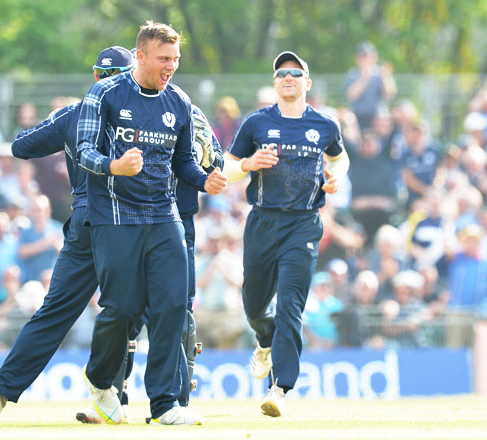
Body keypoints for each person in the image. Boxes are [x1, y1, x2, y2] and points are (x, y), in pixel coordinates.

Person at [0, 45, 137, 425]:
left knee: (53, 314)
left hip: (83, 222)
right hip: (126, 223)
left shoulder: (74, 114)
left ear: (96, 75)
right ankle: (112, 395)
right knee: (125, 312)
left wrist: (57, 122)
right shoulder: (143, 113)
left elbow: (20, 146)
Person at [76, 21, 226, 426]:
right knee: (121, 308)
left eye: (175, 59)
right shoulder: (104, 93)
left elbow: (183, 164)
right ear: (140, 56)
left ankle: (163, 404)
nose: (171, 66)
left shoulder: (179, 101)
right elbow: (83, 151)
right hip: (115, 217)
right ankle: (101, 379)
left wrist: (205, 180)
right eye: (164, 59)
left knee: (174, 305)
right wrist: (114, 166)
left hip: (164, 215)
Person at [223, 50, 349, 417]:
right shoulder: (256, 123)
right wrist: (248, 163)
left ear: (307, 82)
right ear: (275, 83)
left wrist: (336, 176)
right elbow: (228, 169)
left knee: (291, 305)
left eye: (296, 73)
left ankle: (279, 388)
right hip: (263, 221)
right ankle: (265, 341)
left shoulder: (326, 125)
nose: (288, 77)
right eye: (281, 74)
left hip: (304, 223)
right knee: (254, 304)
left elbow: (339, 157)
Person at [345, 41, 397, 130]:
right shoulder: (353, 74)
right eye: (362, 56)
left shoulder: (382, 73)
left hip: (378, 119)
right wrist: (365, 77)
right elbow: (351, 96)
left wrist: (385, 78)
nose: (365, 59)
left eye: (367, 56)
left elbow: (390, 94)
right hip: (358, 117)